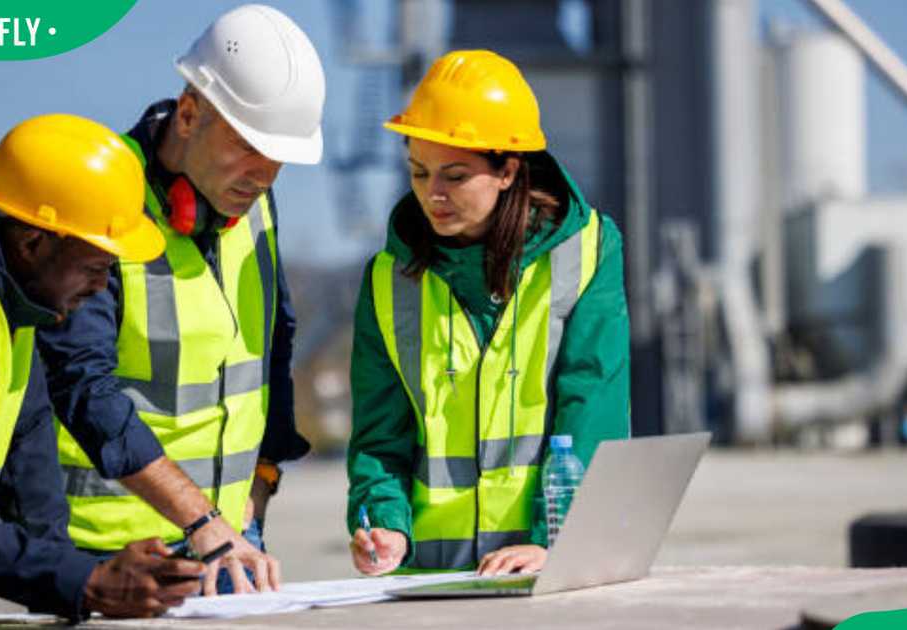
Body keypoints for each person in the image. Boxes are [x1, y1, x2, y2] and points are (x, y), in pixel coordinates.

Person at [34, 4, 324, 594]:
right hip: (107, 549)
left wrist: (262, 481)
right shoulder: (103, 198)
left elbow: (275, 350)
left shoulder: (255, 203)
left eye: (278, 157)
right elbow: (82, 385)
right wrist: (201, 519)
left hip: (228, 543)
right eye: (247, 145)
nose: (265, 173)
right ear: (188, 115)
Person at [0, 114, 207, 630]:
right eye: (96, 267)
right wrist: (89, 582)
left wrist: (77, 588)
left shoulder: (16, 305)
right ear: (33, 243)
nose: (102, 288)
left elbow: (31, 487)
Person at [346, 49, 631, 576]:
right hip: (429, 583)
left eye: (455, 176)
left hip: (546, 572)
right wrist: (383, 525)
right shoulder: (388, 280)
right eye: (419, 171)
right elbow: (379, 437)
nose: (433, 194)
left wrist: (560, 543)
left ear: (508, 171)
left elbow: (593, 409)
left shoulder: (588, 252)